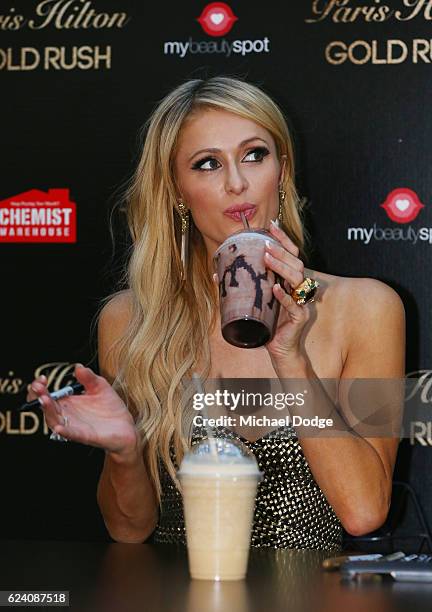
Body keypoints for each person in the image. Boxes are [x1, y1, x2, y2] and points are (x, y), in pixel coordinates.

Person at [27, 76, 405, 550]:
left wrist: (291, 360)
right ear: (177, 190)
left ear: (282, 171)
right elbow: (129, 529)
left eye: (254, 154)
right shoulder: (130, 321)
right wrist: (124, 453)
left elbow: (364, 512)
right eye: (207, 164)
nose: (236, 182)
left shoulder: (365, 309)